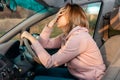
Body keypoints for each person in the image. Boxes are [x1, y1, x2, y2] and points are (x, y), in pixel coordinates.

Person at [21, 3, 106, 80]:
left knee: (38, 79)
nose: (57, 16)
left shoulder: (79, 38)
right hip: (78, 75)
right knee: (39, 71)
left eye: (61, 14)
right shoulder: (67, 36)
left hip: (90, 78)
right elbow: (43, 44)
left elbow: (49, 62)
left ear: (70, 17)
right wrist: (51, 24)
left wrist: (31, 38)